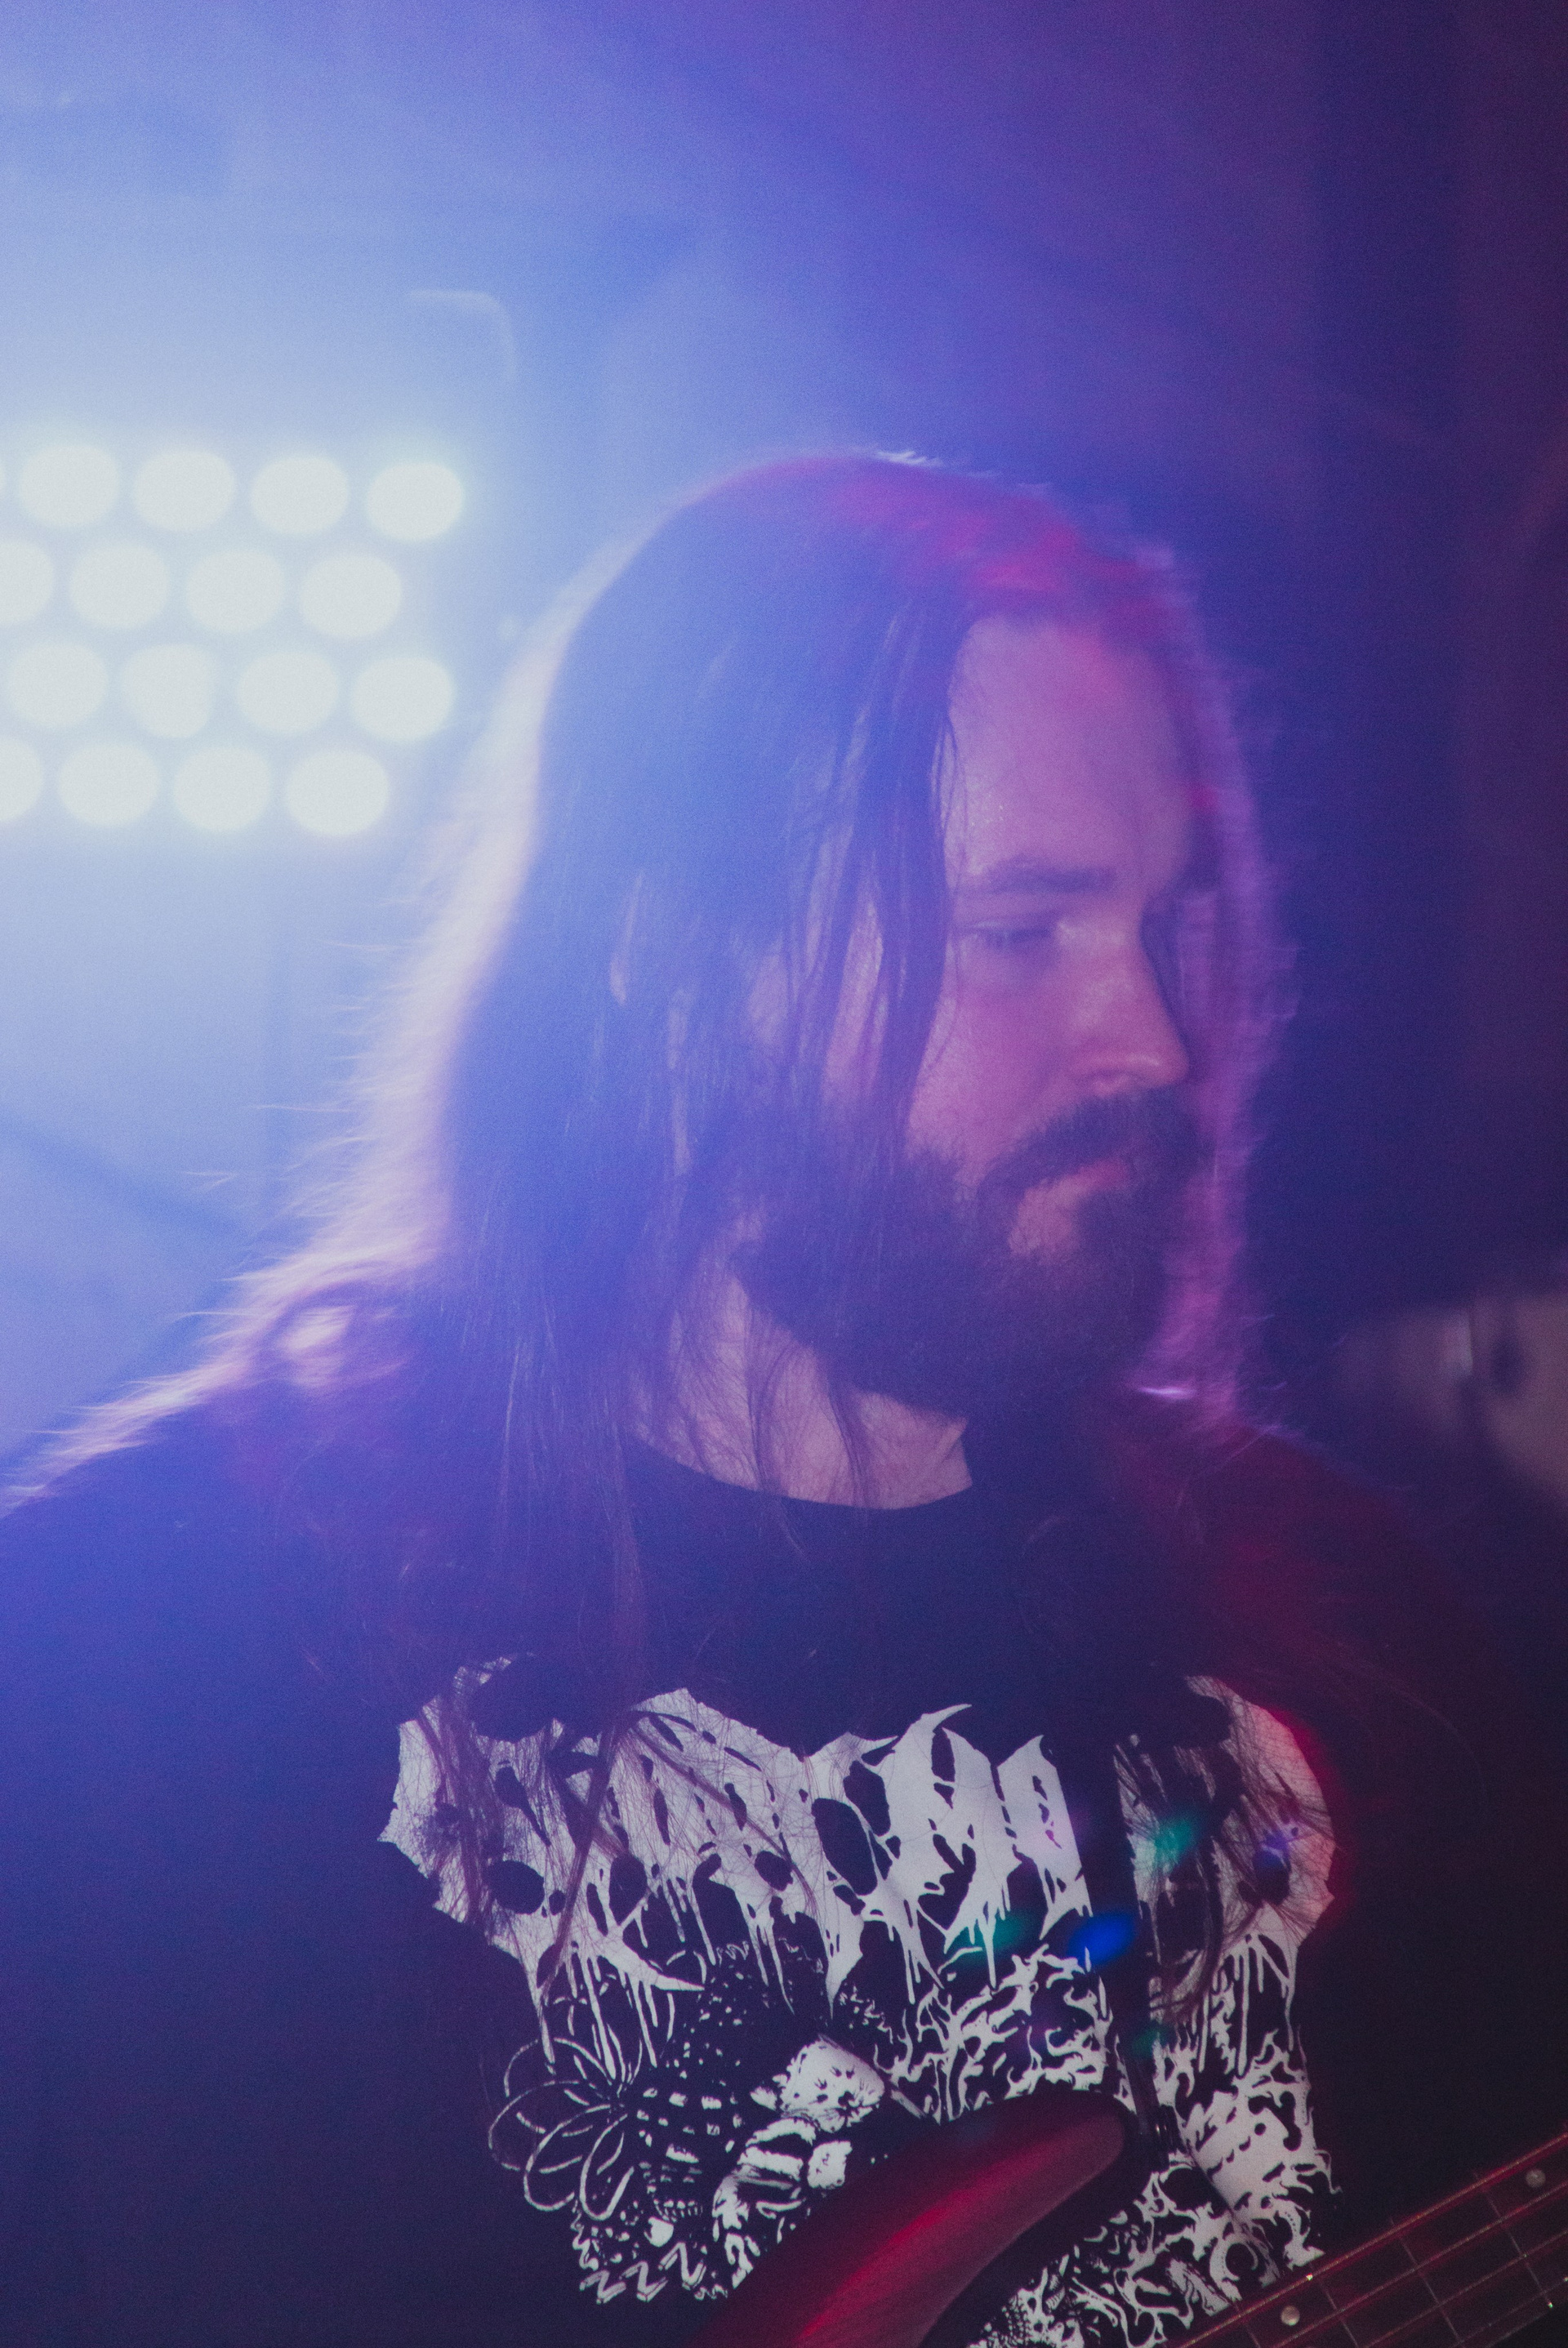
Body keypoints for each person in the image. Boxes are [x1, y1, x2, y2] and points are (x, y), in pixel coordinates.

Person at [0, 457, 1561, 2348]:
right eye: (1020, 931)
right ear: (668, 959)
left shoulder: (1346, 1627)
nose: (1152, 1036)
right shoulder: (143, 1653)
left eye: (1174, 924)